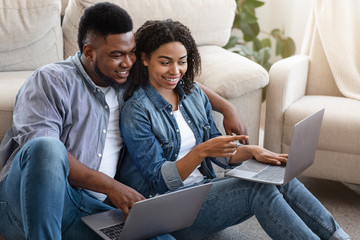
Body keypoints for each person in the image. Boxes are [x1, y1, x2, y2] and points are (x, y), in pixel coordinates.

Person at [0, 3, 248, 240]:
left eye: (131, 54)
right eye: (117, 55)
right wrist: (112, 187)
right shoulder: (50, 80)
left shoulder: (126, 78)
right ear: (89, 52)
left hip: (92, 210)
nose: (127, 63)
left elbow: (177, 80)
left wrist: (227, 107)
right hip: (25, 207)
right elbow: (43, 157)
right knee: (47, 146)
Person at [118, 19, 351, 240]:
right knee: (257, 191)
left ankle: (339, 236)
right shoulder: (136, 110)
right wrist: (201, 151)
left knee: (279, 176)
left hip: (202, 191)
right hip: (166, 211)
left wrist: (250, 151)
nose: (176, 71)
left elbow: (219, 151)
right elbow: (159, 180)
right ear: (145, 59)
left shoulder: (192, 94)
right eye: (165, 62)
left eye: (182, 61)